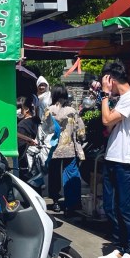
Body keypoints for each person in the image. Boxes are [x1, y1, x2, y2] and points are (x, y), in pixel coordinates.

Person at [95, 61, 130, 258]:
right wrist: (104, 96)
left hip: (127, 161)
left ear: (112, 80)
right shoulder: (123, 99)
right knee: (111, 206)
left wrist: (105, 96)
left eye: (106, 82)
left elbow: (107, 120)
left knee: (126, 209)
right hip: (114, 159)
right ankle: (119, 247)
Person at [47, 85, 86, 213]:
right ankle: (72, 203)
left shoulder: (49, 110)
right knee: (71, 174)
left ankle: (56, 201)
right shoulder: (72, 111)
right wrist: (81, 137)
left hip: (53, 149)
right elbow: (80, 130)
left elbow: (44, 129)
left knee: (54, 176)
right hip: (68, 147)